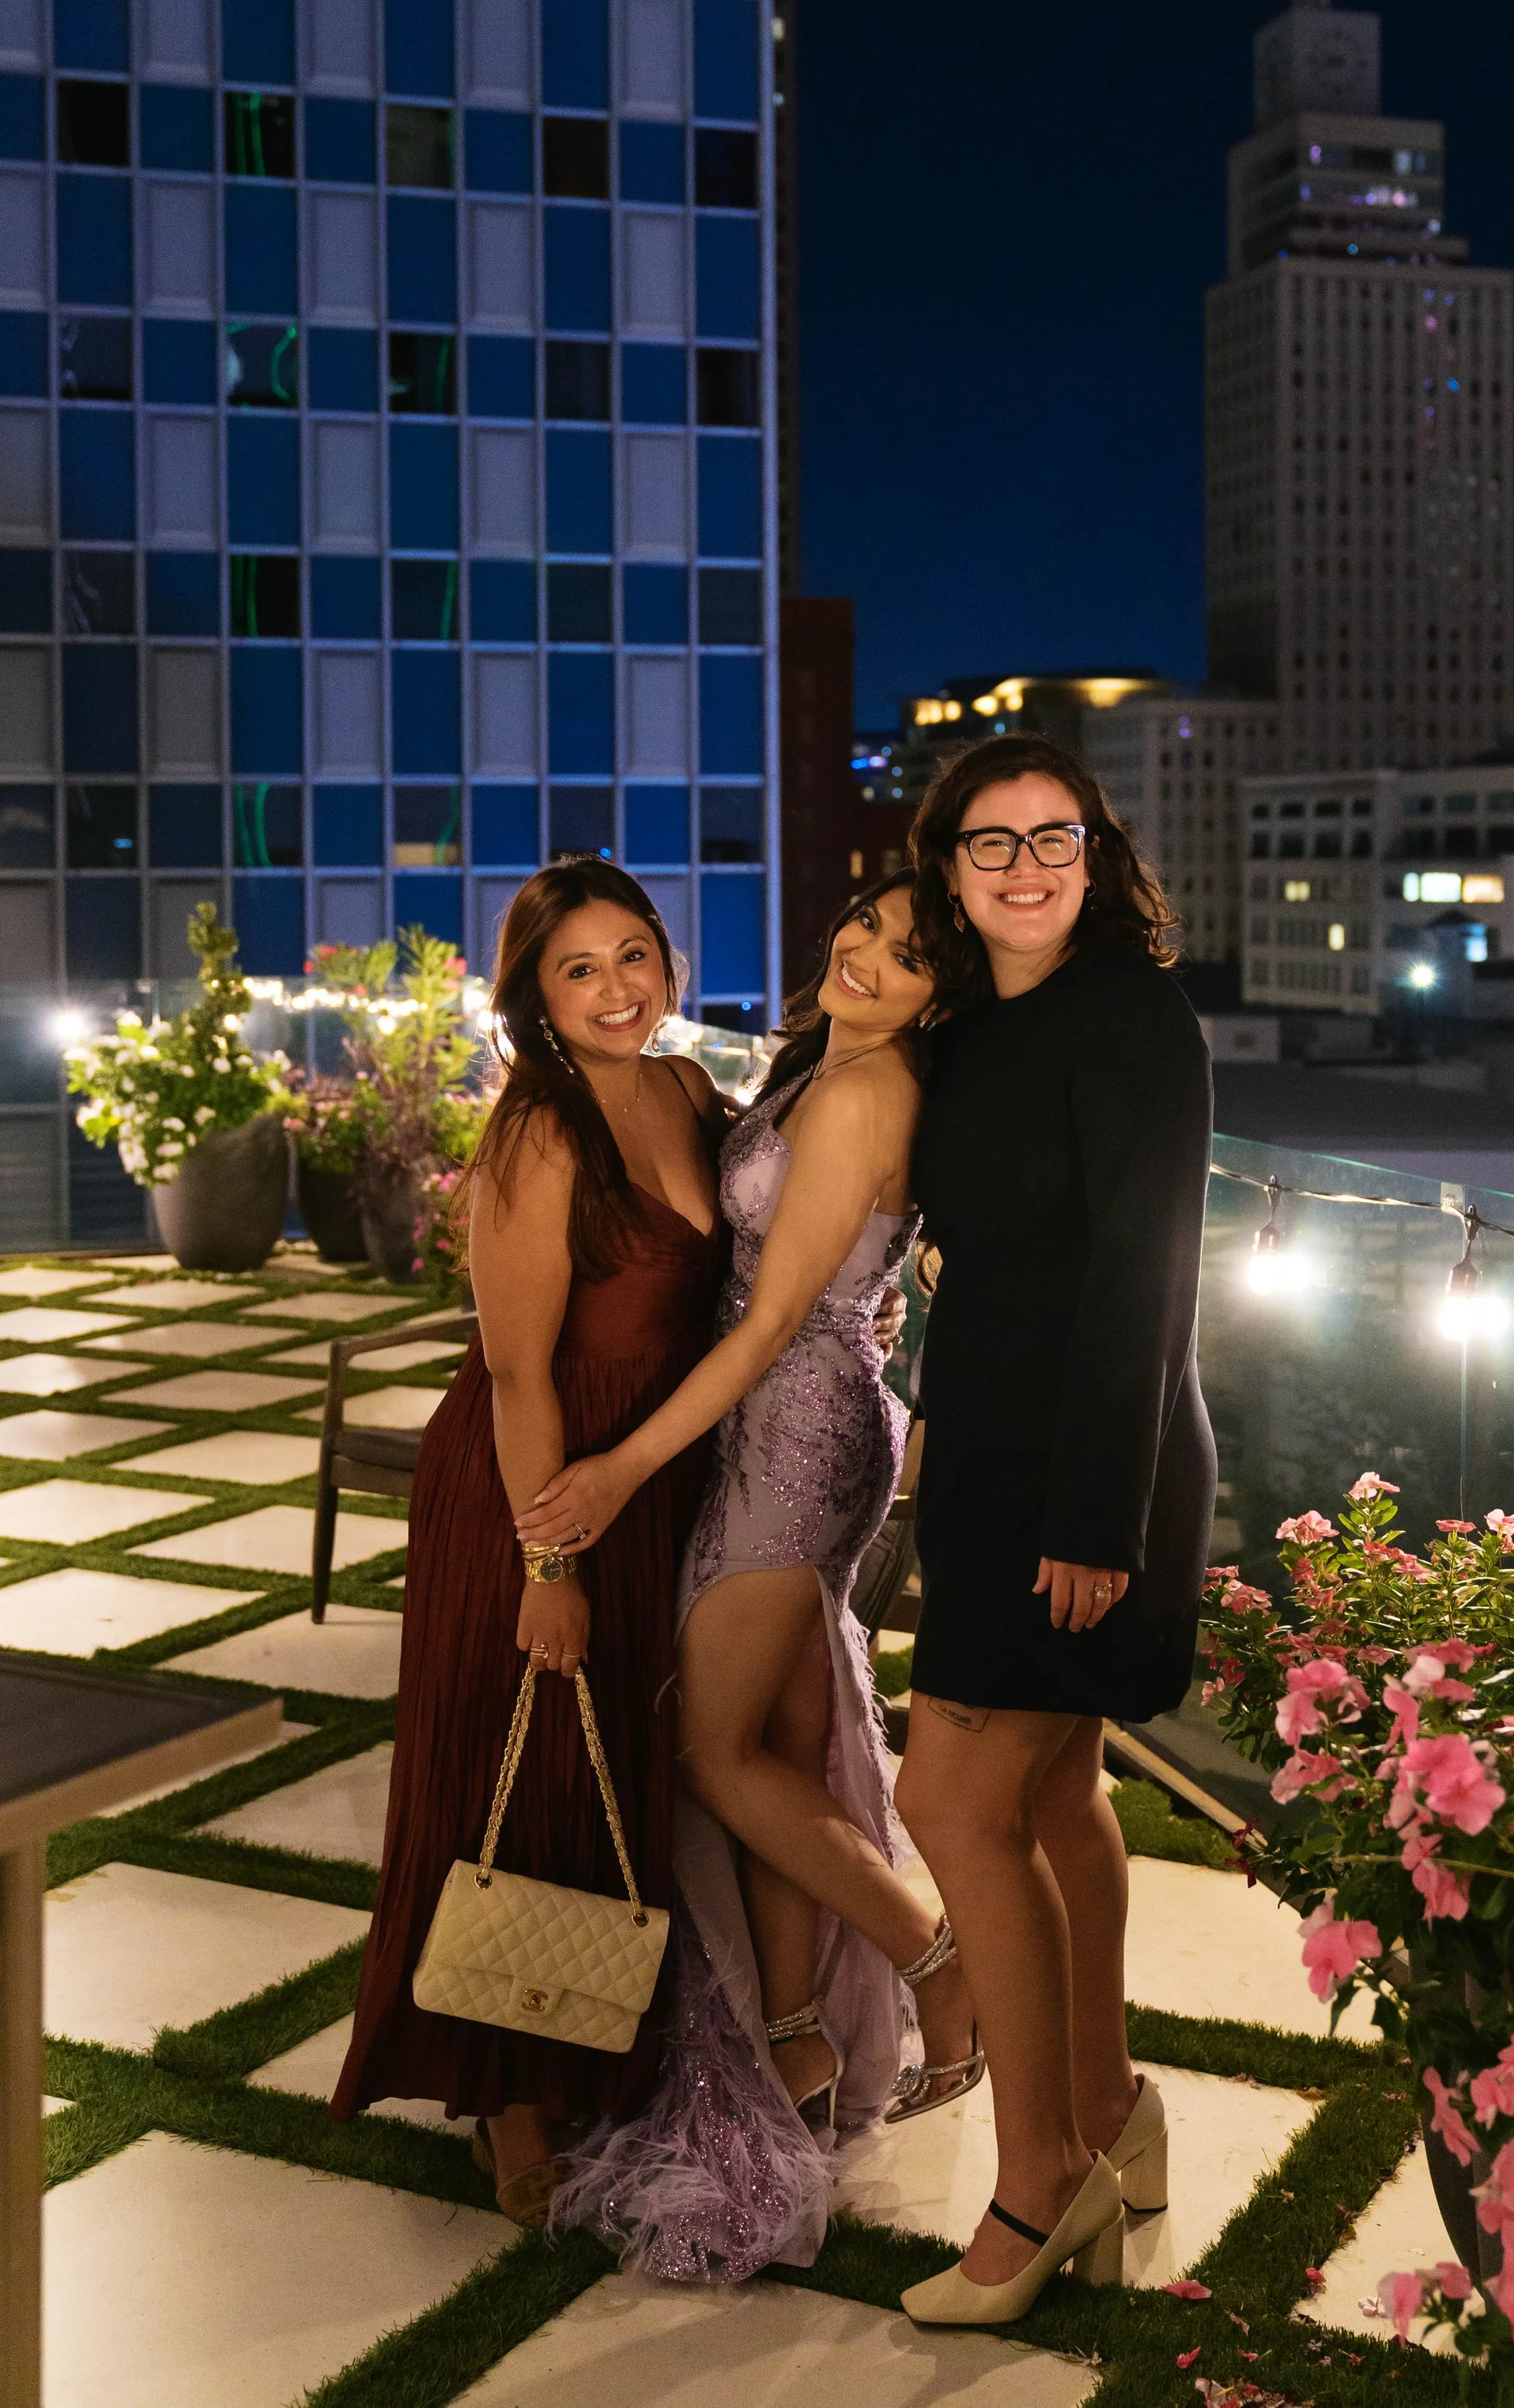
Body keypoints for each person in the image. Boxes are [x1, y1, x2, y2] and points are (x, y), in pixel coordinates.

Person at [514, 875, 982, 2279]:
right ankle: (795, 2041)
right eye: (865, 926)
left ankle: (934, 1957)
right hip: (802, 1405)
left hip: (790, 1423)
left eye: (907, 957)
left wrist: (613, 1471)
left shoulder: (859, 1090)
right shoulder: (815, 1072)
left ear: (938, 995)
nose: (866, 956)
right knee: (778, 1738)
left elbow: (777, 1311)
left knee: (714, 1753)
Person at [330, 859, 729, 2226]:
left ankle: (598, 2043)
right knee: (521, 1759)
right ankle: (505, 2092)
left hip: (650, 1469)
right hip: (538, 1478)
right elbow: (514, 1374)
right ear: (536, 999)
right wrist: (545, 1565)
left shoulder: (683, 1089)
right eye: (582, 969)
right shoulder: (538, 1132)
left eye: (637, 955)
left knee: (618, 1758)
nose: (621, 988)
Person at [890, 734, 1215, 2328]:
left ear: (1095, 855)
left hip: (1085, 1477)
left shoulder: (1131, 1016)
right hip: (991, 1458)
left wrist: (1094, 1518)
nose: (1024, 866)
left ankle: (1038, 2183)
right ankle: (1112, 2108)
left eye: (1054, 837)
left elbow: (1144, 1280)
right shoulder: (969, 1023)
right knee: (1057, 1793)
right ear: (944, 869)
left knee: (948, 1801)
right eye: (989, 843)